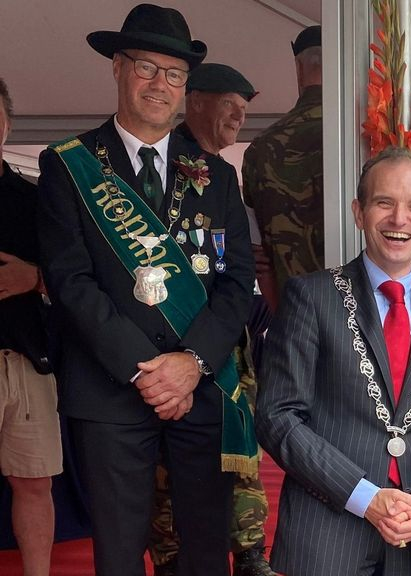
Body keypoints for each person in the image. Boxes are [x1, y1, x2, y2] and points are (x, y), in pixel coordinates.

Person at [36, 5, 256, 574]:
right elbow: (70, 282)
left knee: (207, 551)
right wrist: (146, 369)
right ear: (117, 68)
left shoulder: (218, 174)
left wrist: (191, 363)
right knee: (118, 554)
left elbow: (237, 284)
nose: (160, 84)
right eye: (146, 67)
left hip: (201, 387)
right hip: (110, 389)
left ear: (187, 85)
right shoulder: (70, 166)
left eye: (175, 74)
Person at [256, 147, 411, 576]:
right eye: (384, 203)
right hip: (328, 536)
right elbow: (277, 416)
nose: (399, 219)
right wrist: (365, 497)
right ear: (359, 212)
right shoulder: (310, 296)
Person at [143, 63, 271, 576]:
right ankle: (172, 555)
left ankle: (248, 548)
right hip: (161, 347)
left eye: (245, 108)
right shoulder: (154, 163)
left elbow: (236, 271)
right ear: (193, 100)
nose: (240, 116)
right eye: (230, 104)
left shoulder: (222, 174)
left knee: (235, 447)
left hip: (220, 349)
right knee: (165, 467)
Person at [0, 76, 62, 576]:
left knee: (35, 481)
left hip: (27, 359)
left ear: (7, 124)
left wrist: (34, 276)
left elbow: (73, 277)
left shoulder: (33, 197)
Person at [243, 25, 323, 312]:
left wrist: (281, 318)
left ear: (298, 68)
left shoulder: (260, 149)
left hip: (294, 312)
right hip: (363, 317)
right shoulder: (365, 137)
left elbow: (258, 256)